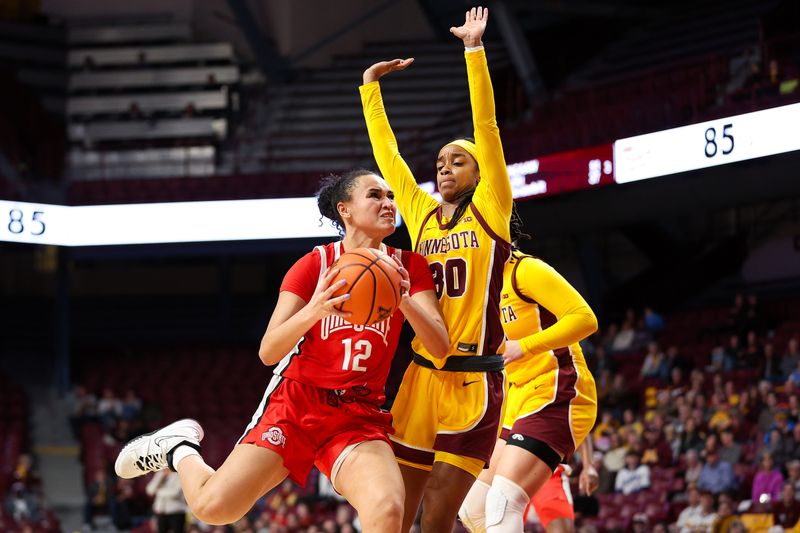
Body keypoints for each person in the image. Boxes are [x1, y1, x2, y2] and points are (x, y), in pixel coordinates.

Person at [114, 170, 449, 532]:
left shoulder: (409, 266)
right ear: (345, 210)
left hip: (359, 413)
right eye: (375, 195)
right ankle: (179, 448)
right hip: (298, 403)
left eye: (390, 195)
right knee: (215, 508)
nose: (388, 203)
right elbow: (269, 351)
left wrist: (403, 300)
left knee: (387, 510)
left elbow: (439, 347)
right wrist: (315, 310)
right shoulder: (314, 265)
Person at [360, 6, 512, 531]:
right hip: (422, 378)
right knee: (396, 516)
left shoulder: (492, 208)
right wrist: (369, 90)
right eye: (441, 162)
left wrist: (474, 50)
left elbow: (486, 126)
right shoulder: (422, 214)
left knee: (438, 521)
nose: (445, 167)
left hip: (475, 379)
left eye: (458, 161)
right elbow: (390, 159)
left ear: (479, 171)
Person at [458, 226, 598, 532]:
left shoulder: (525, 269)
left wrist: (524, 346)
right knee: (472, 507)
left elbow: (586, 319)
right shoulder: (478, 287)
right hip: (516, 399)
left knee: (503, 503)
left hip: (557, 386)